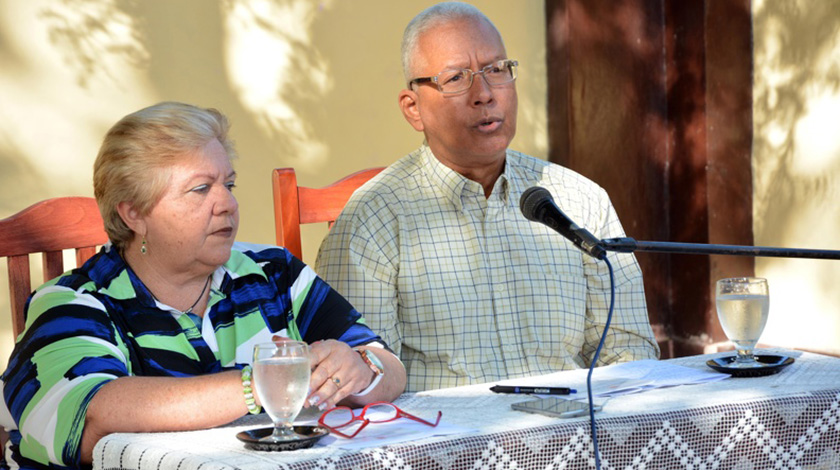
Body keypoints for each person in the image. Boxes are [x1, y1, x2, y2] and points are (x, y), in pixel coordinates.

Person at [0, 102, 406, 470]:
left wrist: (360, 370)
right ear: (134, 214)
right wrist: (262, 384)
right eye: (200, 189)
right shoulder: (74, 303)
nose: (226, 203)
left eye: (227, 185)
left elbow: (388, 365)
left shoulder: (272, 273)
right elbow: (94, 414)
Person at [315, 2, 659, 392]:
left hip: (577, 430)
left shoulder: (579, 200)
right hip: (444, 444)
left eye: (497, 70)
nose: (484, 94)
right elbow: (362, 380)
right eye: (457, 78)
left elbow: (630, 350)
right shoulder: (372, 221)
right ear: (413, 110)